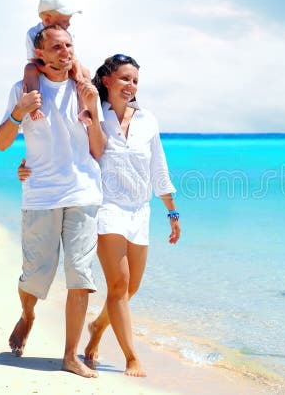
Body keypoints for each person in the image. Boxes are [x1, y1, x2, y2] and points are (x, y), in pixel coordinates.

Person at [19, 53, 181, 377]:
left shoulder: (148, 120)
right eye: (124, 78)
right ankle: (131, 357)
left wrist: (172, 211)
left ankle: (97, 329)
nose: (130, 85)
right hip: (106, 207)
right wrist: (27, 167)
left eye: (135, 80)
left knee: (130, 288)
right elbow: (61, 147)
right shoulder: (91, 112)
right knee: (118, 285)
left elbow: (158, 168)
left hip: (140, 211)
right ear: (106, 80)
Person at [0, 24, 106, 378]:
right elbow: (1, 142)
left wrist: (91, 112)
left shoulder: (84, 89)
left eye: (69, 45)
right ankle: (28, 315)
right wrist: (19, 111)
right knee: (35, 276)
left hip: (84, 193)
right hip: (41, 195)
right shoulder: (23, 89)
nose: (66, 52)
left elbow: (99, 150)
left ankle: (70, 355)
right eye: (57, 47)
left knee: (81, 274)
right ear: (39, 53)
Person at [23, 0, 93, 125]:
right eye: (65, 20)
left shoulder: (67, 33)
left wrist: (78, 74)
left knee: (85, 72)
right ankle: (34, 107)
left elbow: (74, 58)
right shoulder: (33, 33)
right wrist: (46, 69)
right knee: (29, 69)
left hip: (65, 64)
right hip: (43, 66)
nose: (69, 24)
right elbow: (33, 60)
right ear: (48, 19)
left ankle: (84, 108)